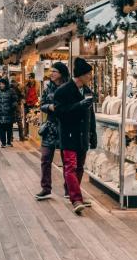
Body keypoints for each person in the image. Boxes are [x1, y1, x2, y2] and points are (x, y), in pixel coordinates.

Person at [54, 58, 97, 215]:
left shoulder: (87, 91)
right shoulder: (63, 91)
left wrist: (93, 134)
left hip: (82, 136)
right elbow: (59, 113)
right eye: (88, 74)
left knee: (79, 167)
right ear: (81, 75)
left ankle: (75, 193)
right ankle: (76, 198)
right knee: (70, 167)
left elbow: (90, 115)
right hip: (69, 135)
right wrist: (78, 106)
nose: (90, 77)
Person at [35, 62, 70, 201]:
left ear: (61, 73)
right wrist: (49, 107)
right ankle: (46, 188)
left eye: (54, 71)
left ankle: (69, 189)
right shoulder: (47, 87)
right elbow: (41, 104)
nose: (51, 74)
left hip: (65, 126)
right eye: (51, 71)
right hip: (50, 127)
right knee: (45, 158)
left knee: (66, 160)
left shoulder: (68, 87)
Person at [0, 78, 17, 147]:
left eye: (3, 84)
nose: (1, 85)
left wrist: (13, 106)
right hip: (0, 113)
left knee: (9, 128)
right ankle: (3, 142)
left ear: (6, 84)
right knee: (1, 129)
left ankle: (9, 142)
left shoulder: (11, 91)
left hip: (8, 113)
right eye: (0, 84)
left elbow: (15, 99)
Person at [24, 73, 39, 139]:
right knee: (27, 119)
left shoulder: (37, 85)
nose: (30, 79)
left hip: (35, 104)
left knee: (34, 120)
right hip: (27, 104)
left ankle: (32, 134)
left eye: (31, 78)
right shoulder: (26, 86)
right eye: (29, 78)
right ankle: (26, 133)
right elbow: (24, 94)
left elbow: (38, 93)